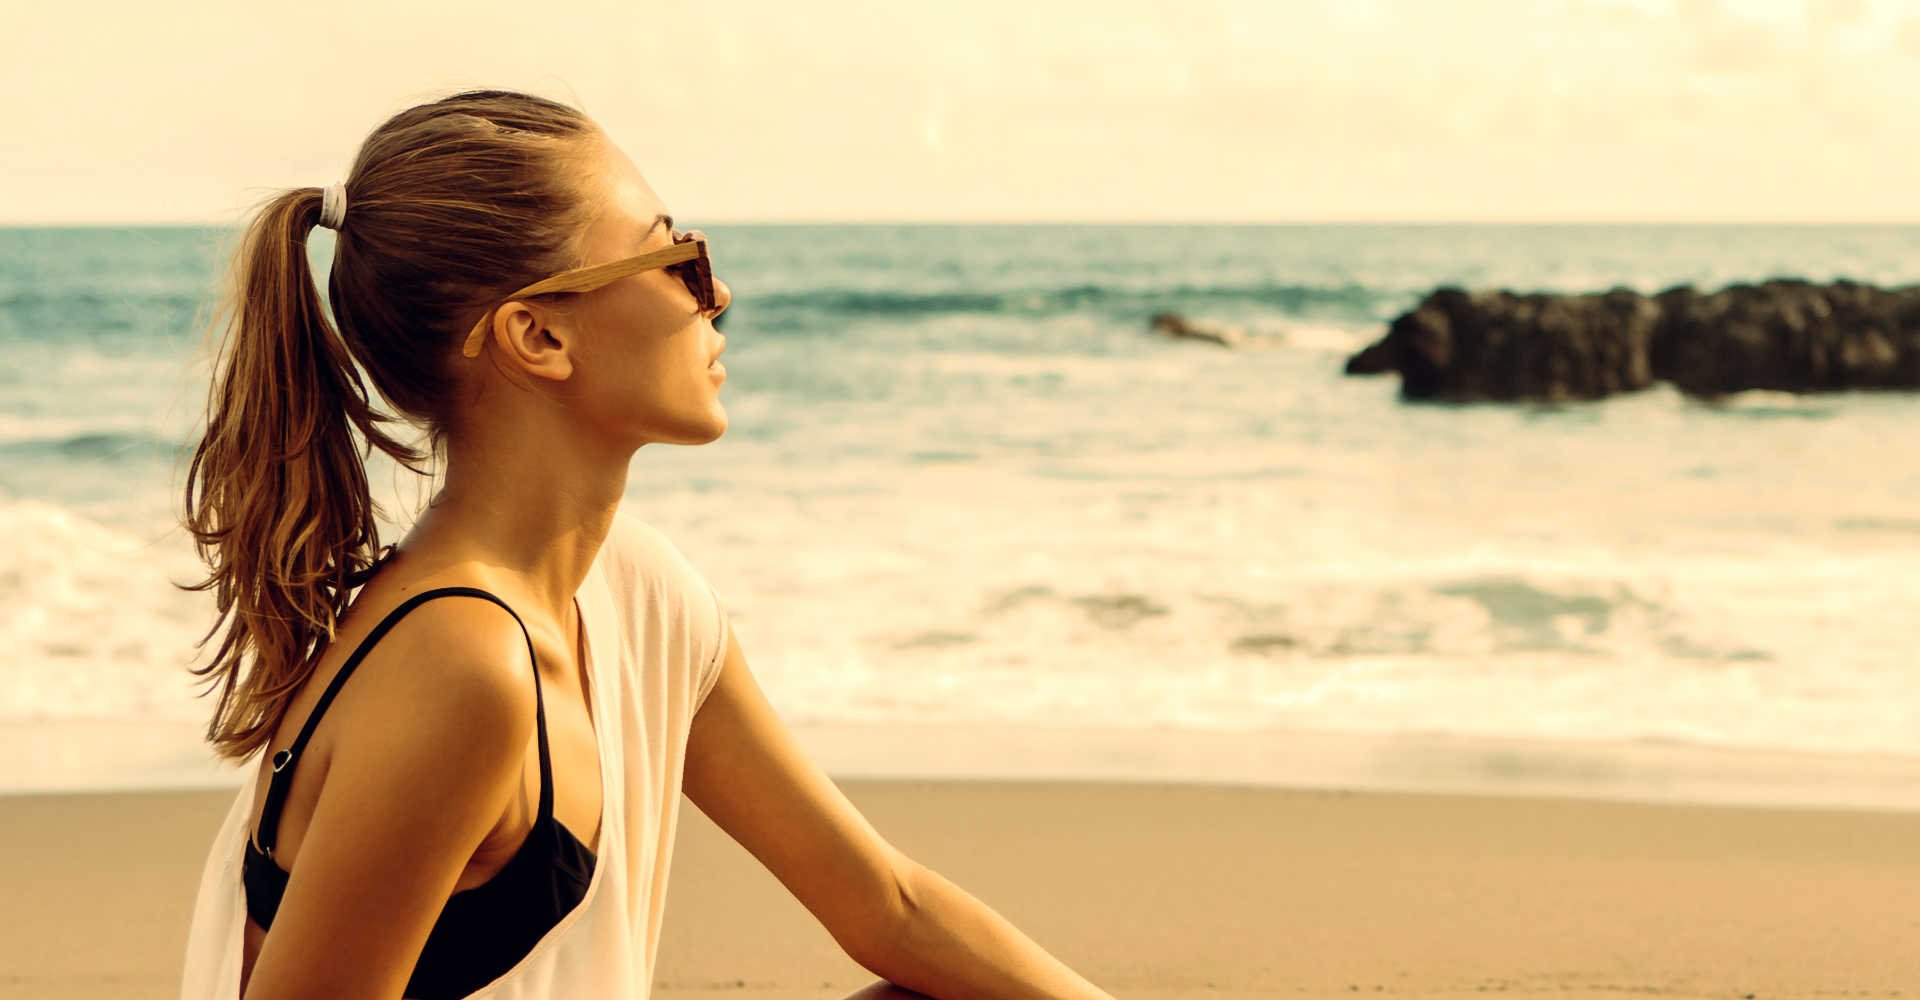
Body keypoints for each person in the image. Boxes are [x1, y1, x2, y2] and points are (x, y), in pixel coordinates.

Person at [173, 89, 1115, 1000]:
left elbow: (887, 907)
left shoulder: (638, 590)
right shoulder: (462, 664)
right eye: (677, 259)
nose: (719, 292)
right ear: (538, 335)